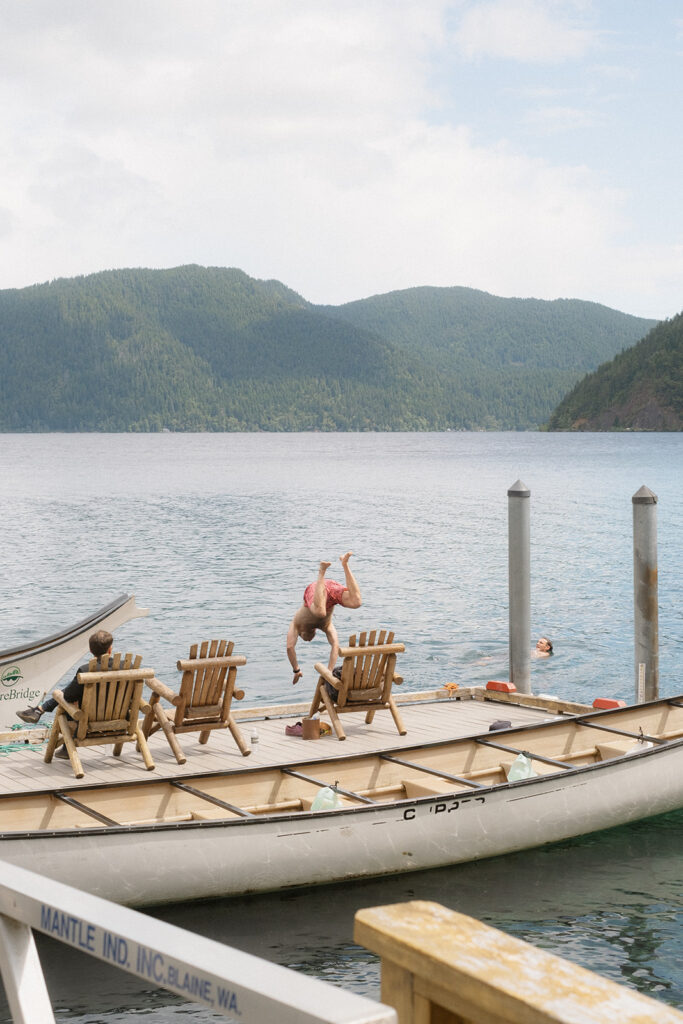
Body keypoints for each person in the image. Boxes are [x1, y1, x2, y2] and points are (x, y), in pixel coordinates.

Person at [16, 629, 114, 757]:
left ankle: (41, 711)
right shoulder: (127, 667)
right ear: (110, 649)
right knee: (71, 698)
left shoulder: (85, 670)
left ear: (90, 651)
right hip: (120, 719)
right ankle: (40, 711)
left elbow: (67, 696)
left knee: (64, 703)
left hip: (88, 720)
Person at [287, 552, 362, 684]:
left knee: (321, 612)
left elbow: (289, 647)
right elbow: (335, 645)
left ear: (301, 634)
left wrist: (296, 669)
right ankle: (345, 564)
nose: (309, 641)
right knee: (356, 602)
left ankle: (323, 571)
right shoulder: (327, 626)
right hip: (327, 592)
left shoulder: (296, 625)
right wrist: (329, 671)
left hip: (316, 589)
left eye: (304, 639)